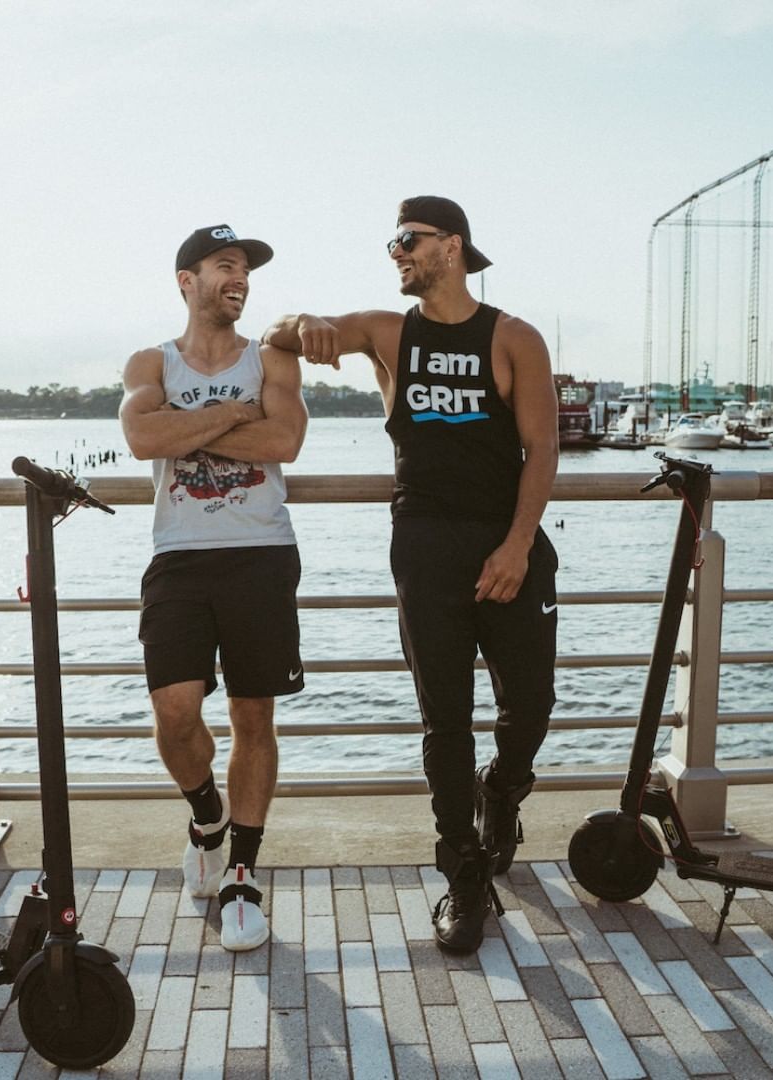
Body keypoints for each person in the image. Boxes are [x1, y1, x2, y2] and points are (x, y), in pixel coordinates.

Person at [263, 196, 559, 954]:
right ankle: (464, 870)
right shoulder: (389, 333)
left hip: (509, 545)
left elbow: (543, 449)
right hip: (426, 548)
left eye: (407, 239)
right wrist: (305, 322)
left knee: (530, 705)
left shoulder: (514, 338)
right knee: (445, 718)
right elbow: (278, 331)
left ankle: (504, 790)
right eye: (391, 242)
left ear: (451, 247)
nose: (396, 252)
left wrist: (518, 546)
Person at [120, 224, 308, 952]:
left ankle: (241, 876)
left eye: (246, 270)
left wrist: (186, 426)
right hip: (180, 556)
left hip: (262, 552)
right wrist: (233, 413)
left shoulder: (272, 359)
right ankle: (207, 816)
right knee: (174, 711)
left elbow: (284, 442)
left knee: (253, 715)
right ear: (186, 280)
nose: (240, 279)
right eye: (225, 265)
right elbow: (142, 438)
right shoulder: (152, 362)